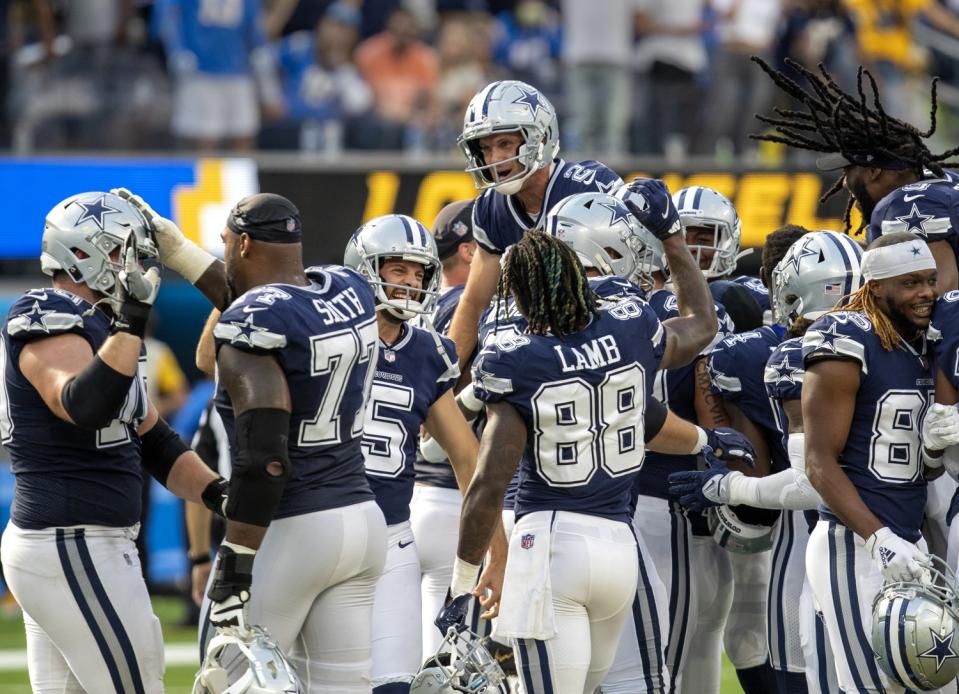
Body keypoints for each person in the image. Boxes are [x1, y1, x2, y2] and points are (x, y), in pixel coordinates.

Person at [435, 222, 730, 693]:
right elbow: (702, 323)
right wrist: (673, 239)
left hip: (550, 548)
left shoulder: (518, 357)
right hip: (617, 545)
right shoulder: (629, 328)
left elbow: (489, 484)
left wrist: (462, 581)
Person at [120, 189, 388, 690]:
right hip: (360, 519)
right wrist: (181, 254)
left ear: (243, 244)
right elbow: (268, 300)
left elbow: (265, 457)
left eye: (224, 243)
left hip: (289, 526)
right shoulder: (347, 288)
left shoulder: (254, 321)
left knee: (227, 681)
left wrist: (236, 559)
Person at [0, 191, 228, 693]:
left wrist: (222, 495)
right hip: (70, 537)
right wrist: (130, 325)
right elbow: (82, 406)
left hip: (85, 540)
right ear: (84, 254)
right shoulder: (44, 310)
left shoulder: (107, 327)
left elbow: (155, 443)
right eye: (127, 251)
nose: (139, 265)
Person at [670, 228, 867, 694]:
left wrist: (726, 489)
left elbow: (807, 481)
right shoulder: (908, 346)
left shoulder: (774, 356)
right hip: (908, 534)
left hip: (811, 545)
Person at [344, 212, 506, 694]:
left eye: (419, 273)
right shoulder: (327, 334)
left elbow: (466, 457)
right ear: (365, 267)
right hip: (321, 519)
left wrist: (494, 550)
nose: (411, 284)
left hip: (393, 533)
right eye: (398, 270)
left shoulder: (427, 351)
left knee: (395, 686)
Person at [802, 232, 939, 693]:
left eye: (931, 280)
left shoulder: (922, 344)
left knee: (930, 682)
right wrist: (877, 537)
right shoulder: (846, 336)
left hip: (910, 542)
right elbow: (818, 461)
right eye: (911, 282)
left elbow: (911, 466)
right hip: (853, 544)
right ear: (876, 285)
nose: (926, 293)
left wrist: (937, 450)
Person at [445, 79, 627, 374]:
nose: (494, 159)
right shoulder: (492, 208)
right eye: (486, 148)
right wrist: (441, 378)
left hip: (608, 332)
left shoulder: (590, 187)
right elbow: (475, 302)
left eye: (505, 144)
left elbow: (633, 283)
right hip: (540, 342)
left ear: (541, 139)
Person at [752, 57, 959, 293]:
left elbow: (944, 290)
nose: (844, 183)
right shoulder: (939, 183)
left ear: (873, 171)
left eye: (847, 171)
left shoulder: (908, 203)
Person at [410, 199, 481, 656]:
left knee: (424, 658)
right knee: (460, 663)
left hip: (418, 499)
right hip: (462, 497)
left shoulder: (419, 309)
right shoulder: (468, 309)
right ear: (473, 251)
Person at [672, 185, 768, 331]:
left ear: (728, 243)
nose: (689, 248)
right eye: (681, 240)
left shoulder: (751, 296)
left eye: (703, 240)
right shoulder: (650, 300)